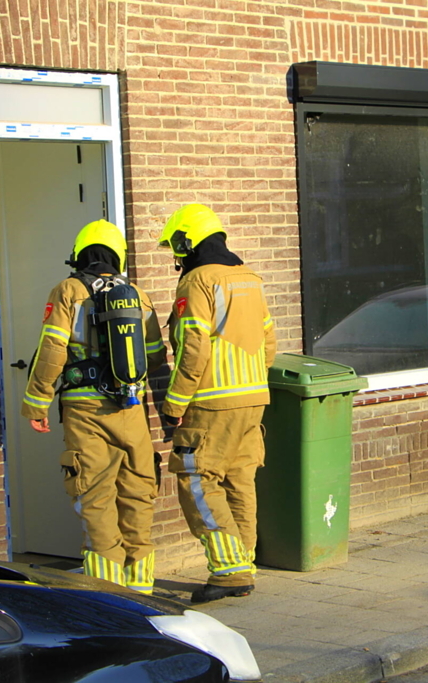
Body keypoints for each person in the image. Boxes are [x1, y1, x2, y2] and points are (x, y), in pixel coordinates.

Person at [21, 219, 167, 594]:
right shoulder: (137, 293)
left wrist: (37, 402)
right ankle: (141, 588)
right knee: (137, 490)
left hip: (85, 408)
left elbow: (53, 349)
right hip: (132, 407)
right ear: (118, 255)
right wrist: (166, 409)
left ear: (79, 254)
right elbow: (155, 356)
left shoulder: (68, 290)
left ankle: (106, 591)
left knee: (95, 494)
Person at [157, 203, 277, 603]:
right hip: (254, 398)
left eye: (176, 245)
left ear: (188, 241)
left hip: (210, 403)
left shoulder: (198, 281)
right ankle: (242, 563)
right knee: (240, 482)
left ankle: (228, 574)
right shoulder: (250, 278)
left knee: (197, 481)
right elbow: (269, 343)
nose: (176, 255)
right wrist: (250, 380)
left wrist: (174, 405)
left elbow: (192, 349)